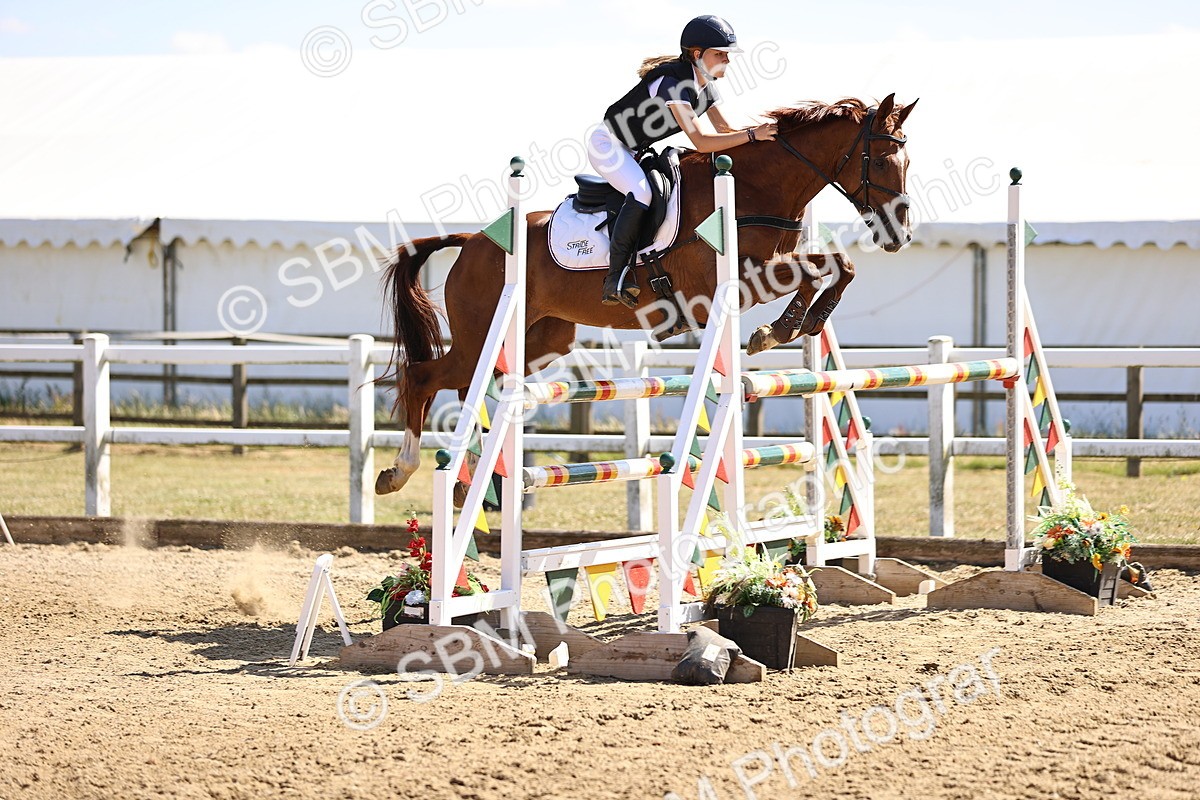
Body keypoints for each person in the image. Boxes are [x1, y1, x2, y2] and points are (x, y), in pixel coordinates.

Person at [590, 14, 778, 308]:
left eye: (728, 55)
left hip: (635, 150)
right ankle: (616, 276)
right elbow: (702, 142)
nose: (727, 60)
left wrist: (768, 141)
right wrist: (754, 135)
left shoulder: (707, 88)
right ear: (697, 54)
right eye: (720, 54)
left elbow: (726, 132)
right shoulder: (672, 83)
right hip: (607, 146)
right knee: (642, 192)